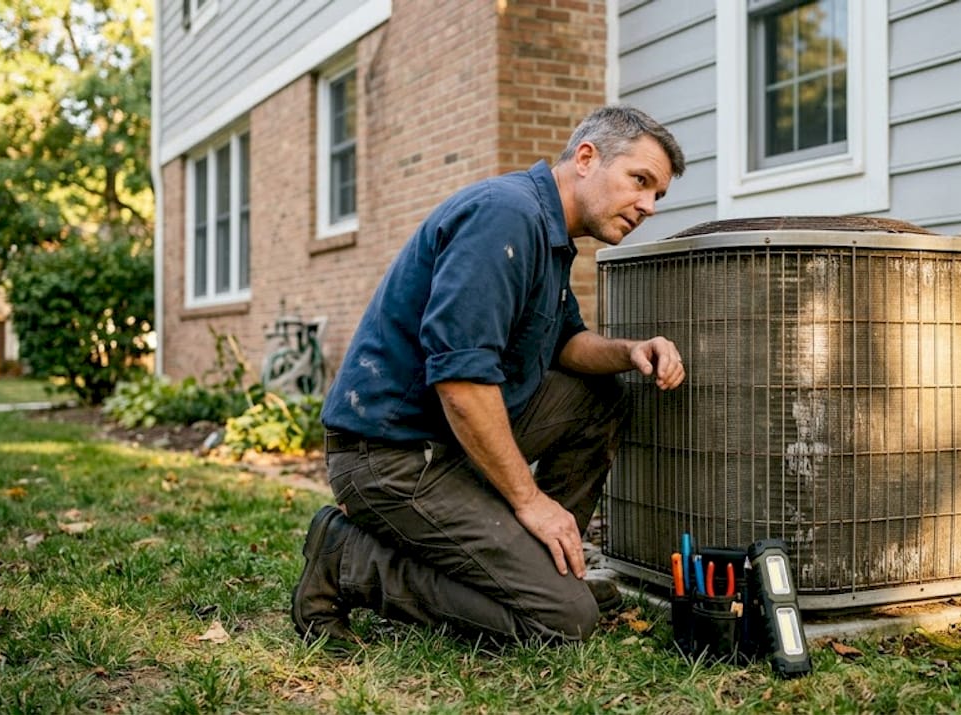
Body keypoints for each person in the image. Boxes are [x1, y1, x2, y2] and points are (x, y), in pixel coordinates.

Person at [292, 105, 687, 645]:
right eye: (640, 181)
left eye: (657, 195)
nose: (647, 205)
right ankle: (349, 559)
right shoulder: (506, 217)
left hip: (445, 443)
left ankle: (544, 570)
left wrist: (631, 350)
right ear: (587, 158)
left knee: (601, 397)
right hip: (392, 458)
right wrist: (530, 501)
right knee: (563, 622)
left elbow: (566, 345)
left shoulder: (549, 233)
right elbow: (460, 382)